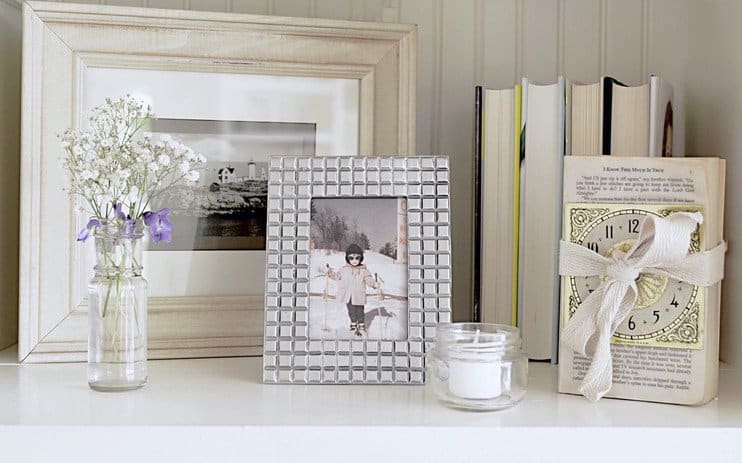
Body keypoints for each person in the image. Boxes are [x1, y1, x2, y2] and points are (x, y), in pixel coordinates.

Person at [326, 244, 380, 336]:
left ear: (361, 258)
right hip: (348, 296)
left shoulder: (363, 270)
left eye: (357, 258)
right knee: (351, 311)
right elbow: (337, 276)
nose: (354, 261)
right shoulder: (343, 269)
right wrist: (330, 273)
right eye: (351, 258)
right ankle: (353, 324)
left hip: (358, 295)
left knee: (360, 311)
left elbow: (368, 279)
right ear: (347, 258)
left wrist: (374, 284)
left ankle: (362, 326)